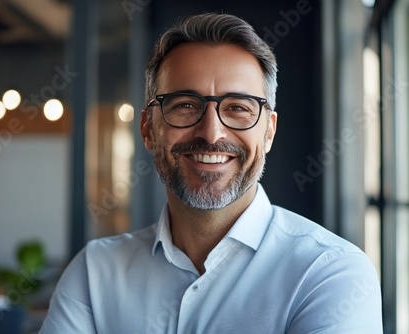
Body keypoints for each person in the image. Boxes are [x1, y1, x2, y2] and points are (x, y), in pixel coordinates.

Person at [40, 13, 383, 333]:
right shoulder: (94, 272)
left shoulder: (329, 273)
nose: (212, 133)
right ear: (147, 129)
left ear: (268, 132)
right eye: (185, 105)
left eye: (237, 108)